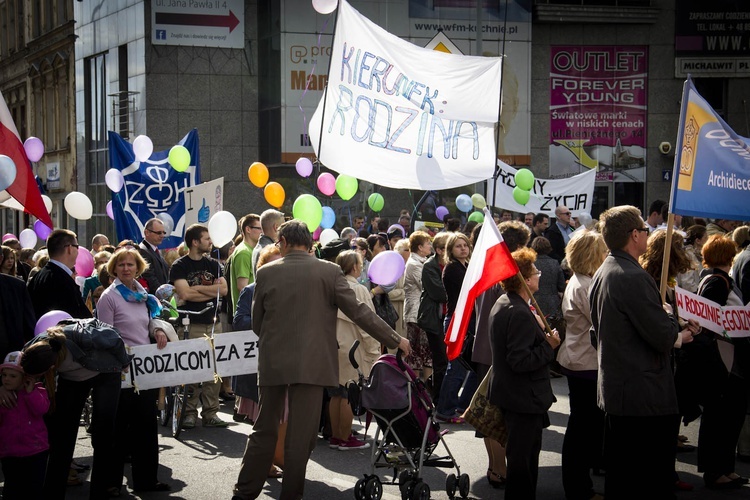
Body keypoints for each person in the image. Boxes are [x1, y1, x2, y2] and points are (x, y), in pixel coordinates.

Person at [232, 220, 410, 500]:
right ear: (308, 243)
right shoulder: (329, 271)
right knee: (301, 436)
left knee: (264, 429)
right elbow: (360, 312)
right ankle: (291, 494)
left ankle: (243, 493)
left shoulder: (265, 272)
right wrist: (395, 338)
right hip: (313, 362)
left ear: (285, 242)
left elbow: (257, 323)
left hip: (274, 360)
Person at [589, 205, 686, 499]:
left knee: (624, 475)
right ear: (634, 235)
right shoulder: (631, 275)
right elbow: (664, 336)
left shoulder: (605, 269)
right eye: (645, 230)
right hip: (642, 396)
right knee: (642, 479)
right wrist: (668, 314)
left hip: (621, 390)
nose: (648, 235)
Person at [96, 247, 171, 495]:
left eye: (130, 265)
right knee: (119, 429)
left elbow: (148, 323)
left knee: (146, 426)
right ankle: (112, 484)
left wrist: (157, 330)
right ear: (114, 269)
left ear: (138, 268)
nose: (126, 269)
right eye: (121, 265)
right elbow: (105, 335)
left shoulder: (142, 293)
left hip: (144, 369)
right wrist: (122, 357)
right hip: (120, 370)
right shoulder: (109, 296)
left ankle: (147, 480)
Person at [489, 247, 560, 499]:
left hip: (518, 395)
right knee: (523, 462)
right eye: (536, 272)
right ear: (526, 279)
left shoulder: (509, 302)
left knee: (524, 458)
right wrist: (548, 346)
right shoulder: (517, 310)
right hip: (522, 397)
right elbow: (520, 361)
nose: (539, 275)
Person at [33, 321, 129, 500]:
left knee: (103, 431)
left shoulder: (85, 338)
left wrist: (125, 362)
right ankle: (52, 492)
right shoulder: (38, 346)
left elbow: (115, 338)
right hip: (72, 378)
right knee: (62, 434)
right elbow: (16, 361)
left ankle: (101, 491)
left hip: (106, 370)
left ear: (53, 365)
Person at [683, 235, 748, 489]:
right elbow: (709, 321)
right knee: (722, 416)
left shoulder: (714, 279)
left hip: (726, 357)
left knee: (728, 416)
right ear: (728, 256)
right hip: (724, 359)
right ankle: (716, 470)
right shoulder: (717, 282)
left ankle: (724, 468)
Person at [558, 230, 608, 500]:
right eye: (603, 251)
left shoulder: (582, 281)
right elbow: (604, 322)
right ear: (593, 255)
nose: (607, 255)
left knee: (583, 428)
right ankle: (579, 488)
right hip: (584, 362)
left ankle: (580, 484)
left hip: (581, 359)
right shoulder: (586, 285)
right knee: (581, 430)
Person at [233, 245, 285, 478]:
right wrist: (268, 323)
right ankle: (261, 465)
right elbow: (240, 320)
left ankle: (275, 459)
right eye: (272, 264)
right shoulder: (251, 290)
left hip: (285, 364)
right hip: (258, 364)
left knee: (282, 419)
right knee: (263, 422)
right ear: (262, 267)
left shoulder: (290, 288)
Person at [169, 223, 228, 429]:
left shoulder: (214, 265)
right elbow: (184, 294)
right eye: (206, 239)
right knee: (192, 370)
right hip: (190, 323)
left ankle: (211, 413)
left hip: (213, 323)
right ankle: (189, 413)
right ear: (195, 242)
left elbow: (224, 290)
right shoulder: (179, 266)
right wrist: (211, 289)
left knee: (215, 369)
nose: (210, 242)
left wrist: (197, 288)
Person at [329, 250, 380, 450]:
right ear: (355, 267)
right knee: (349, 393)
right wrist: (374, 349)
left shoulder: (333, 287)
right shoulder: (358, 289)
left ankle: (336, 436)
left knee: (336, 393)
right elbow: (367, 322)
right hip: (353, 345)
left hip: (334, 344)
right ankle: (344, 437)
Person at [436, 232, 477, 423]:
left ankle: (462, 405)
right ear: (451, 250)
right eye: (458, 246)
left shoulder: (466, 266)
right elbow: (469, 291)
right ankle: (445, 410)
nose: (463, 248)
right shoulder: (452, 269)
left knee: (474, 367)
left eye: (465, 245)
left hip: (469, 320)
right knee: (457, 368)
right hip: (457, 321)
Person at [0, 351, 50, 500]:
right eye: (4, 375)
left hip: (36, 451)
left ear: (25, 378)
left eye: (13, 376)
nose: (7, 379)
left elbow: (41, 409)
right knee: (12, 489)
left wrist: (30, 393)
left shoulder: (37, 390)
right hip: (10, 452)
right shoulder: (3, 396)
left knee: (33, 490)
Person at [28, 229, 92, 321]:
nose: (78, 251)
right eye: (77, 247)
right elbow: (76, 317)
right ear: (69, 248)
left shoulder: (38, 276)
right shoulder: (62, 280)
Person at [416, 231, 450, 404]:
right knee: (440, 360)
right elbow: (440, 293)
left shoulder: (453, 264)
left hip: (449, 317)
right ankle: (438, 399)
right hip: (435, 319)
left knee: (449, 360)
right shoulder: (430, 266)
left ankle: (442, 394)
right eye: (449, 247)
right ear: (438, 250)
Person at [403, 231, 433, 381]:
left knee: (425, 351)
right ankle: (417, 388)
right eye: (428, 243)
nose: (430, 246)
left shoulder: (422, 262)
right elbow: (425, 285)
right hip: (416, 313)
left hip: (421, 313)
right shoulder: (414, 264)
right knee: (418, 353)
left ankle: (425, 386)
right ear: (420, 247)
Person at [229, 214, 262, 318]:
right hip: (247, 314)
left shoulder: (251, 250)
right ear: (248, 229)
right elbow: (242, 287)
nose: (262, 231)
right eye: (259, 228)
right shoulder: (243, 252)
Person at [530, 237, 566, 324]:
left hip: (535, 301)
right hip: (552, 302)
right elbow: (561, 286)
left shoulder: (531, 264)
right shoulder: (555, 263)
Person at [138, 218, 170, 293]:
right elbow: (150, 279)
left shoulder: (154, 250)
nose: (162, 236)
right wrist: (165, 295)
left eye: (163, 232)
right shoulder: (143, 251)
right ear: (147, 233)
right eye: (159, 233)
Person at [252, 209, 285, 276]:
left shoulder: (259, 247)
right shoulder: (270, 252)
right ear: (276, 227)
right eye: (283, 226)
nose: (285, 230)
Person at [677, 225, 708, 293]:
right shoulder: (688, 255)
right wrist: (699, 295)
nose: (708, 240)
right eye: (706, 237)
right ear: (698, 241)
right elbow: (687, 283)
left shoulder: (697, 255)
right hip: (691, 297)